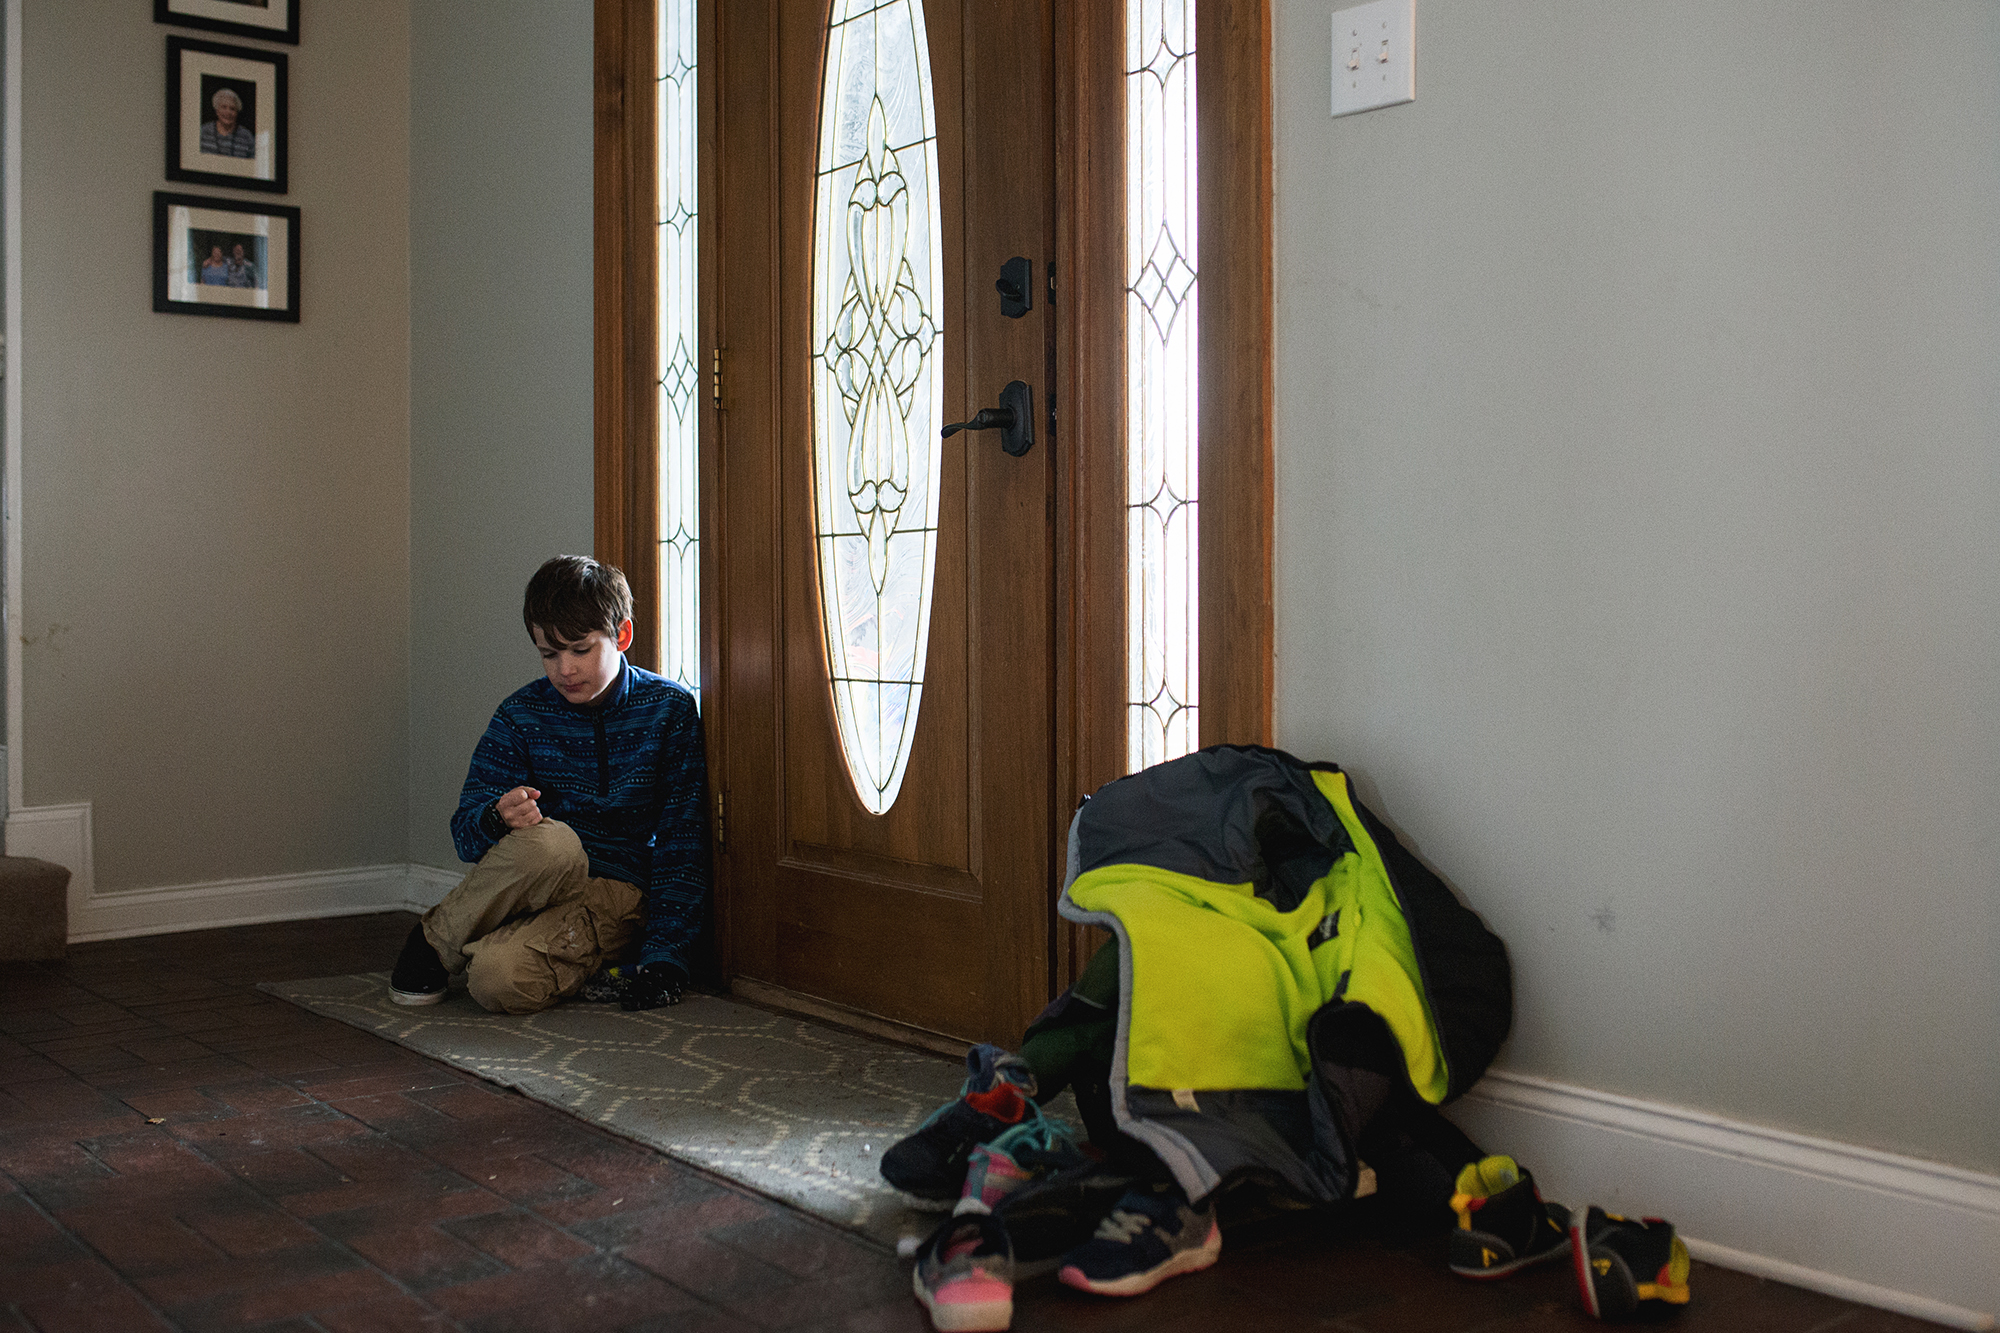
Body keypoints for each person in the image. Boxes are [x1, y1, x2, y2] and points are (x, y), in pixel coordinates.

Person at [388, 555, 709, 1014]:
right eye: (549, 654)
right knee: (552, 844)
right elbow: (465, 834)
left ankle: (595, 960)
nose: (564, 670)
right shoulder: (520, 714)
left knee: (494, 982)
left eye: (580, 650)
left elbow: (683, 839)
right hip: (543, 875)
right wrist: (497, 816)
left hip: (619, 889)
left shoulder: (669, 711)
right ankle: (431, 944)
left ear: (621, 635)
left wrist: (666, 957)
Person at [200, 87, 254, 158]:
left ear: (237, 112)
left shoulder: (247, 137)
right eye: (224, 107)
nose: (228, 112)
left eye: (232, 109)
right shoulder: (202, 132)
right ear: (217, 111)